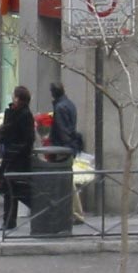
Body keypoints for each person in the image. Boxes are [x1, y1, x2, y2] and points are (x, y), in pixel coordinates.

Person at [0, 85, 35, 230]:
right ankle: (8, 221)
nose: (13, 98)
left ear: (19, 98)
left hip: (18, 160)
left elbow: (28, 139)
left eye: (15, 96)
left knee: (18, 190)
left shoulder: (25, 115)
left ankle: (42, 209)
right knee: (8, 190)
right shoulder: (12, 112)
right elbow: (7, 130)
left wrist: (15, 151)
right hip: (10, 157)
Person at [49, 82, 86, 225]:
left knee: (67, 182)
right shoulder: (68, 104)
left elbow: (63, 130)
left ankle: (76, 213)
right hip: (67, 146)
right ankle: (72, 212)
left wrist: (62, 148)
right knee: (67, 181)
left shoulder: (60, 107)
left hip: (63, 148)